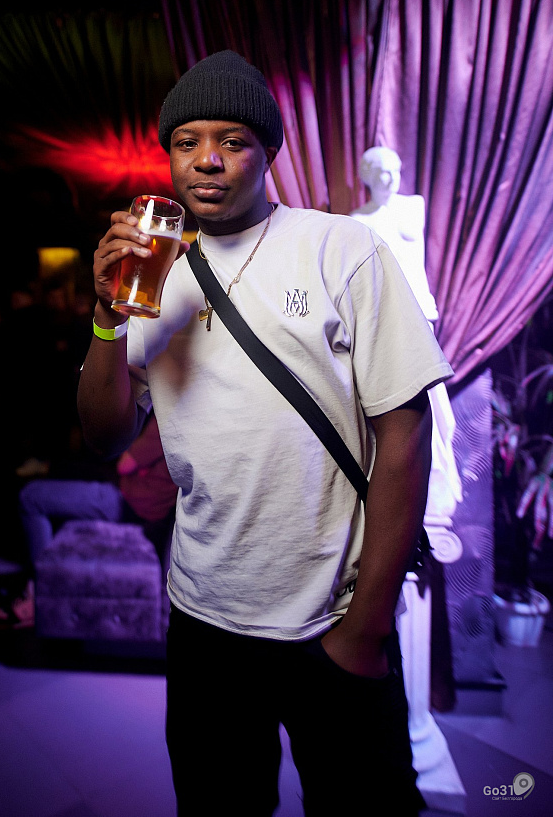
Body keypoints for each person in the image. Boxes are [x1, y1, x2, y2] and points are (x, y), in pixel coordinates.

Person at [77, 50, 454, 816]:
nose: (207, 159)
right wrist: (106, 319)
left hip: (332, 616)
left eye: (233, 140)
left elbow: (404, 435)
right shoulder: (155, 275)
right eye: (186, 141)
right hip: (204, 618)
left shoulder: (342, 248)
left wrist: (365, 628)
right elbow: (105, 434)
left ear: (269, 151)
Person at [350, 146, 461, 519]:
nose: (390, 178)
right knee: (398, 401)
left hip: (419, 311)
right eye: (381, 172)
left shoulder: (413, 206)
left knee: (433, 398)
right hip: (384, 317)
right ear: (367, 176)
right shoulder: (358, 220)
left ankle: (438, 483)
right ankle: (406, 490)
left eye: (394, 170)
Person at [0, 413, 176, 628]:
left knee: (31, 497)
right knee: (82, 468)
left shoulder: (168, 417)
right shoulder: (192, 422)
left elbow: (125, 465)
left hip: (129, 502)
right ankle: (47, 465)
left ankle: (40, 593)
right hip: (140, 501)